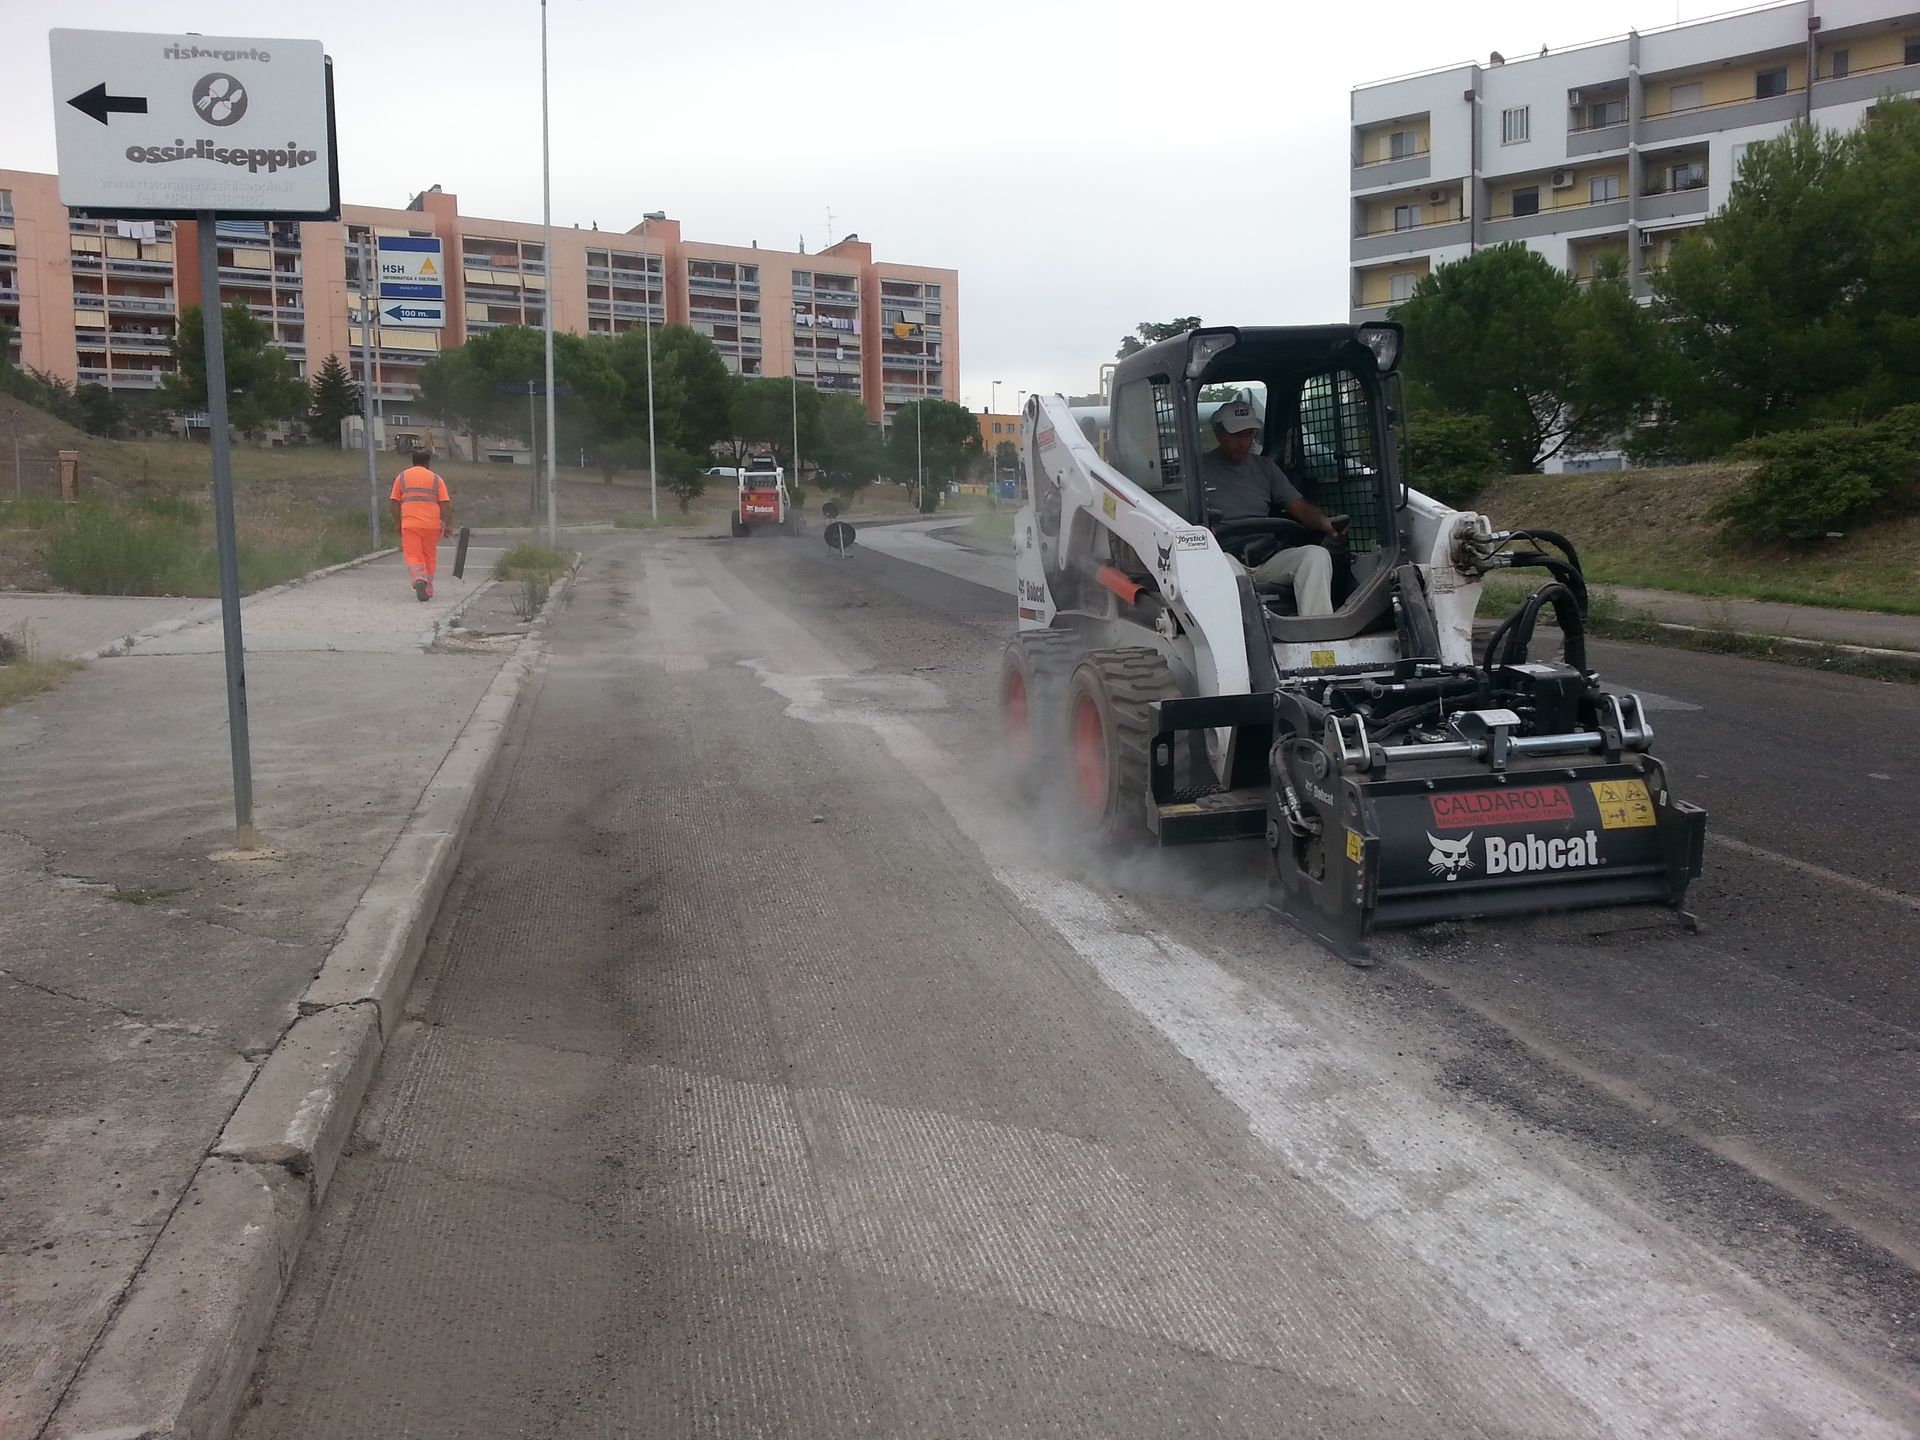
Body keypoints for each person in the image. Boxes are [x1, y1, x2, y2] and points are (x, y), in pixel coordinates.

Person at [1199, 400, 1343, 617]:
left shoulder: (1266, 468)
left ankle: (1316, 630)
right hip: (1224, 555)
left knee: (1316, 556)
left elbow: (1301, 508)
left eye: (1249, 434)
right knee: (1226, 569)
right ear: (1218, 433)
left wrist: (1325, 522)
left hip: (1266, 556)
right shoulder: (1198, 469)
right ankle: (1247, 635)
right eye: (1236, 435)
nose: (1244, 442)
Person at [389, 448, 452, 602]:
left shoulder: (402, 477)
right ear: (428, 463)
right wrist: (448, 524)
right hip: (431, 524)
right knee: (429, 556)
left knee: (412, 553)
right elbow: (445, 504)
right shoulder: (437, 479)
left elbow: (394, 502)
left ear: (413, 462)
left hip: (410, 523)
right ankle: (428, 586)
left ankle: (418, 578)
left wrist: (397, 522)